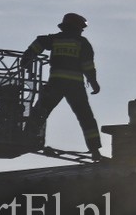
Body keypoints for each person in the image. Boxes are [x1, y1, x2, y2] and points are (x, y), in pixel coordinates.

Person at [21, 13, 104, 161]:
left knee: (39, 112)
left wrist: (27, 57)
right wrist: (94, 83)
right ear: (77, 28)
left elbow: (39, 42)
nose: (81, 31)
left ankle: (26, 139)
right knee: (86, 118)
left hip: (55, 84)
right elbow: (88, 67)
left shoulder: (55, 39)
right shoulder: (82, 43)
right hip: (75, 87)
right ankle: (95, 151)